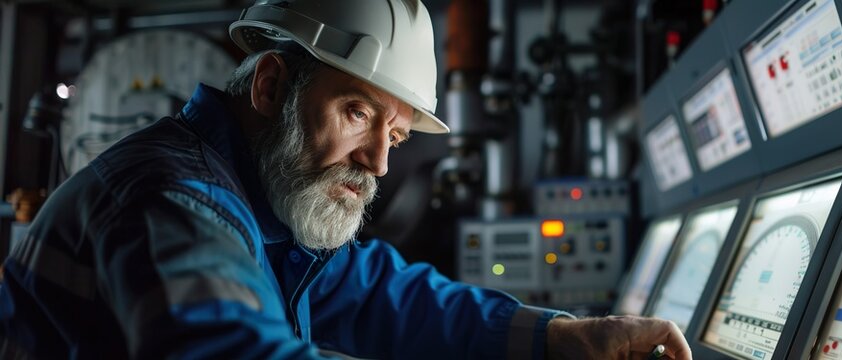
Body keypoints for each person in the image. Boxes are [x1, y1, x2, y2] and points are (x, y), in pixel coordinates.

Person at [0, 0, 692, 359]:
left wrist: (562, 339)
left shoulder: (264, 208)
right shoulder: (175, 199)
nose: (380, 162)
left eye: (394, 134)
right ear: (271, 86)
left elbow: (383, 296)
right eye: (357, 111)